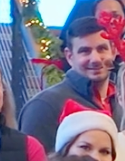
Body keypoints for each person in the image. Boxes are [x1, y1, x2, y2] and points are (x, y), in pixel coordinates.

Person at [19, 17, 119, 152]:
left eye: (102, 49)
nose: (95, 59)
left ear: (113, 51)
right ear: (69, 56)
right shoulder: (44, 106)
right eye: (85, 51)